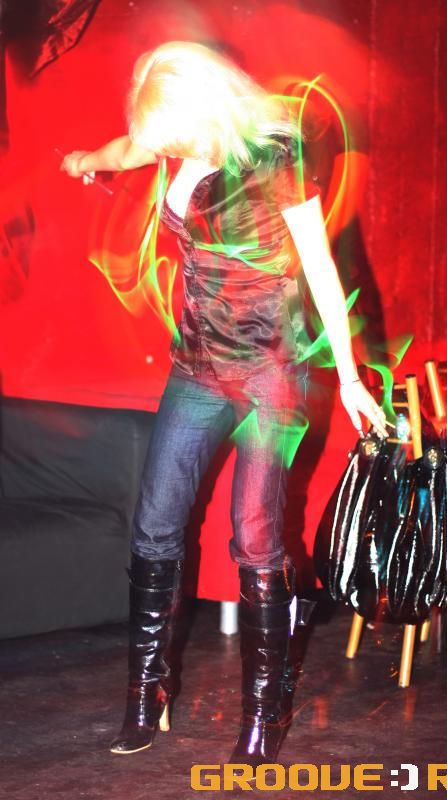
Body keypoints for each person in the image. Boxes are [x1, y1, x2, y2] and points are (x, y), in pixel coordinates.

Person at [61, 41, 387, 763]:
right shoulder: (172, 145)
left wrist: (351, 378)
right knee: (154, 525)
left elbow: (322, 272)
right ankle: (147, 693)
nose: (164, 148)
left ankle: (264, 711)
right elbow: (127, 149)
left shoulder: (276, 161)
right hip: (196, 368)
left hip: (270, 374)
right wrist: (86, 159)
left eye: (171, 134)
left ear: (201, 110)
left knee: (256, 536)